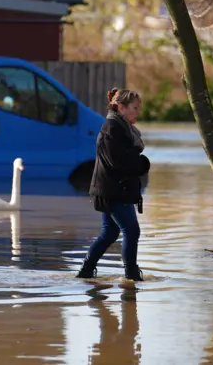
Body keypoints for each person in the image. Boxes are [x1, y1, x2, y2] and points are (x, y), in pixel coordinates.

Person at [76, 87, 151, 282]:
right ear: (121, 107)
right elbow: (119, 162)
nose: (137, 112)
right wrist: (143, 164)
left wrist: (139, 163)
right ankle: (132, 277)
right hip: (114, 190)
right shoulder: (112, 129)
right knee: (131, 231)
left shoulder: (121, 127)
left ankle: (86, 271)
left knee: (110, 232)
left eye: (138, 108)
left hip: (113, 188)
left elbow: (121, 160)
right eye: (134, 108)